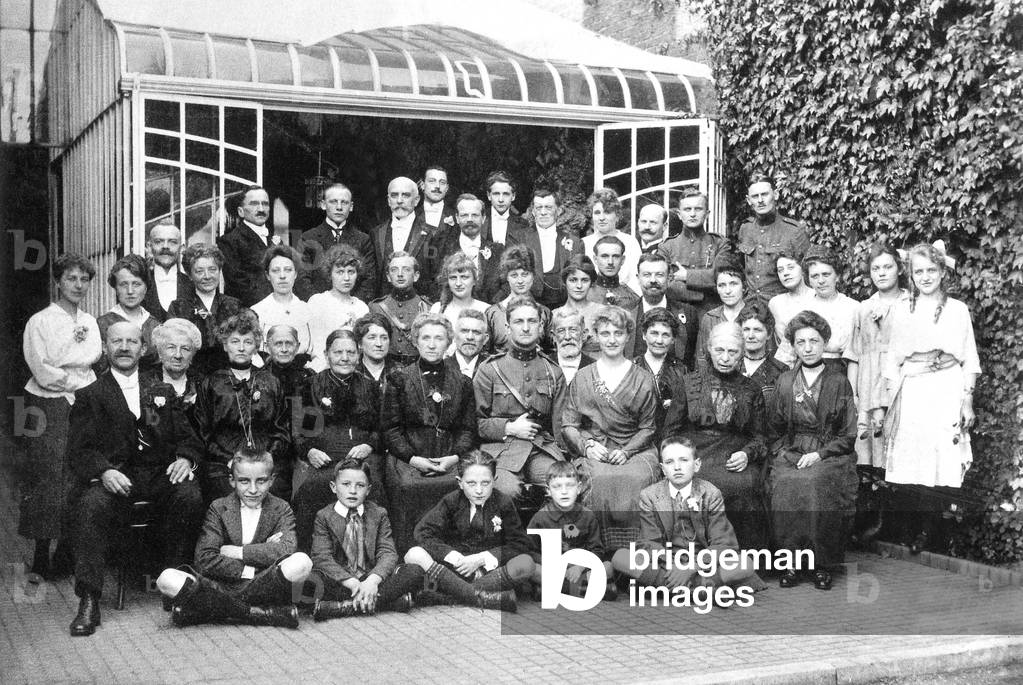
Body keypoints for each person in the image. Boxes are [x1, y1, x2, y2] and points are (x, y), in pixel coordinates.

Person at [67, 321, 205, 636]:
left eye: (132, 341)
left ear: (144, 349)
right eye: (118, 341)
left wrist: (185, 458)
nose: (125, 347)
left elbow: (189, 437)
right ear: (105, 348)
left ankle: (177, 586)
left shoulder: (161, 390)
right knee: (90, 506)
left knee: (189, 495)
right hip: (116, 480)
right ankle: (89, 599)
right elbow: (79, 450)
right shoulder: (90, 395)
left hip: (157, 476)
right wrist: (104, 470)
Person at [155, 447, 312, 629]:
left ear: (271, 481)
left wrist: (237, 551)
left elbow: (286, 550)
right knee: (166, 579)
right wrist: (254, 564)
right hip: (220, 586)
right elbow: (205, 559)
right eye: (244, 481)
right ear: (232, 481)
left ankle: (208, 611)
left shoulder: (281, 508)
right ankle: (256, 614)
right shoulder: (218, 507)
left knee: (302, 562)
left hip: (262, 585)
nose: (253, 489)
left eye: (261, 481)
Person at [20, 254, 102, 579]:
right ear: (58, 281)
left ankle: (66, 551)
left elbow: (92, 358)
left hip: (83, 401)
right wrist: (71, 380)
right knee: (47, 474)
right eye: (71, 278)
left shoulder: (90, 322)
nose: (78, 285)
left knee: (76, 473)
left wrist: (83, 386)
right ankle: (41, 552)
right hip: (49, 402)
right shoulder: (40, 321)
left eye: (84, 279)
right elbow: (40, 366)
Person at [768, 310, 857, 590]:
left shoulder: (838, 381)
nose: (807, 348)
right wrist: (784, 453)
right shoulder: (784, 382)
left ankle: (821, 564)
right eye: (801, 342)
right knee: (783, 483)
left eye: (814, 341)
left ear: (824, 343)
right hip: (794, 450)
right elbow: (775, 428)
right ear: (793, 346)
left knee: (816, 483)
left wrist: (820, 454)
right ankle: (790, 563)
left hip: (830, 453)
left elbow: (849, 434)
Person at [562, 305, 660, 549]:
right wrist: (586, 446)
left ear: (628, 336)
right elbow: (569, 425)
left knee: (635, 479)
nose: (612, 339)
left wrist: (627, 451)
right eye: (605, 333)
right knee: (599, 480)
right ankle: (598, 553)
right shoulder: (583, 377)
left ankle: (635, 555)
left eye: (618, 333)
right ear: (595, 335)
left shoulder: (643, 378)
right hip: (597, 449)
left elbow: (648, 428)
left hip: (635, 450)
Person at [883, 242, 979, 489]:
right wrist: (891, 400)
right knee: (913, 466)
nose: (925, 277)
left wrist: (967, 401)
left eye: (931, 270)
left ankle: (938, 527)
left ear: (943, 272)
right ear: (911, 275)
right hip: (913, 391)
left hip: (947, 388)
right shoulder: (901, 309)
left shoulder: (958, 310)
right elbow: (891, 359)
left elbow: (969, 358)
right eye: (919, 272)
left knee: (943, 463)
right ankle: (914, 527)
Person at [611, 437, 763, 591]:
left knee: (745, 564)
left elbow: (723, 544)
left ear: (696, 465)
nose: (677, 467)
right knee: (620, 557)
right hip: (666, 563)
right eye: (670, 462)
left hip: (702, 563)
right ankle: (701, 588)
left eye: (684, 460)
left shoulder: (711, 493)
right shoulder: (649, 496)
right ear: (663, 469)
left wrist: (691, 567)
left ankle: (676, 588)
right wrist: (675, 566)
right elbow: (649, 542)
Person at [382, 312, 477, 552]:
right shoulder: (399, 378)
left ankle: (453, 556)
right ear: (415, 340)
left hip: (449, 455)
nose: (432, 344)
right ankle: (408, 556)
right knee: (407, 487)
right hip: (409, 455)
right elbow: (391, 429)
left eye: (439, 338)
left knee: (461, 487)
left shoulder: (463, 382)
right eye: (425, 338)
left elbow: (467, 429)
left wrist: (454, 458)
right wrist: (414, 459)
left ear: (449, 342)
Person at [677, 322, 769, 550]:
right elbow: (671, 431)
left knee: (744, 486)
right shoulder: (689, 383)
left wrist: (747, 454)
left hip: (733, 456)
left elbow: (760, 436)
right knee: (697, 487)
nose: (725, 358)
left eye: (733, 352)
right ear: (709, 348)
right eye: (719, 350)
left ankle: (743, 558)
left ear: (741, 354)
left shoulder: (751, 388)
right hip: (697, 454)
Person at [404, 450, 532, 612]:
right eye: (471, 483)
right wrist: (456, 559)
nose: (479, 490)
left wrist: (481, 559)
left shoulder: (503, 503)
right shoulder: (451, 501)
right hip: (453, 570)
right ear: (460, 482)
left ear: (495, 481)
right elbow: (423, 532)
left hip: (487, 572)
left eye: (485, 483)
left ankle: (446, 596)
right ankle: (483, 597)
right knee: (414, 554)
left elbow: (519, 543)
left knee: (526, 563)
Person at [293, 330, 381, 551]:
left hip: (361, 456)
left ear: (359, 355)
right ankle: (307, 553)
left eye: (351, 352)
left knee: (375, 486)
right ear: (327, 354)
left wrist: (369, 444)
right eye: (338, 352)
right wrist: (310, 450)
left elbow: (381, 427)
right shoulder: (312, 386)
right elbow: (303, 430)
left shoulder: (369, 387)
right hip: (326, 458)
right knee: (311, 487)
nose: (345, 358)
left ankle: (371, 553)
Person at [474, 296, 567, 501]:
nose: (526, 328)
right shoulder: (489, 370)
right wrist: (509, 428)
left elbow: (560, 426)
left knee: (564, 485)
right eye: (518, 322)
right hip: (500, 454)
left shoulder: (552, 371)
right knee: (505, 491)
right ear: (507, 327)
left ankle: (548, 533)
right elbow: (474, 423)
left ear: (541, 326)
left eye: (532, 321)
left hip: (540, 450)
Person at [306, 459, 424, 619]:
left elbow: (387, 552)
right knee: (309, 579)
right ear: (334, 487)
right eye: (346, 484)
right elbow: (322, 557)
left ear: (368, 490)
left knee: (414, 571)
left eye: (360, 485)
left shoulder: (378, 513)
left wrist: (372, 581)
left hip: (371, 577)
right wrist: (351, 582)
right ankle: (389, 602)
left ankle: (344, 607)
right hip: (342, 581)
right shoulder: (324, 516)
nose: (353, 491)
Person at [195, 310, 291, 501]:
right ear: (225, 345)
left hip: (266, 457)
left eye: (247, 342)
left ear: (256, 346)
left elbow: (281, 429)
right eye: (235, 342)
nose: (241, 348)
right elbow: (204, 432)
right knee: (225, 494)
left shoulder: (270, 381)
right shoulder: (212, 383)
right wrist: (229, 459)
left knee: (277, 491)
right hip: (224, 462)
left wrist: (268, 457)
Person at [845, 243, 909, 468]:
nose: (882, 273)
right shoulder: (863, 308)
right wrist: (853, 393)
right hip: (870, 386)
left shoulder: (911, 304)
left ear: (899, 269)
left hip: (900, 384)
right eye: (876, 268)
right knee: (870, 453)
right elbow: (854, 355)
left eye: (888, 267)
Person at [526, 461, 615, 600]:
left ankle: (553, 590)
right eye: (557, 487)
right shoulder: (540, 517)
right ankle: (585, 590)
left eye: (570, 486)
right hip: (553, 570)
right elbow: (530, 550)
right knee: (531, 569)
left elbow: (597, 550)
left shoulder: (588, 516)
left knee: (608, 567)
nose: (564, 491)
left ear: (579, 488)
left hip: (580, 569)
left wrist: (580, 567)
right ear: (548, 491)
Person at [736, 173, 810, 308]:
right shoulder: (745, 229)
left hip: (783, 307)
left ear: (775, 195)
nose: (760, 200)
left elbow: (807, 274)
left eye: (764, 194)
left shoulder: (794, 231)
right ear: (748, 200)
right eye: (755, 196)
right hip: (750, 307)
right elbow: (742, 269)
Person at [168, 243, 242, 375]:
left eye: (212, 269)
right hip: (191, 376)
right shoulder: (179, 308)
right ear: (190, 275)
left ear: (219, 271)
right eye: (199, 271)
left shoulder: (234, 306)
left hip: (228, 377)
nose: (207, 276)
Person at [506, 188, 583, 309]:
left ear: (558, 210)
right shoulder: (518, 238)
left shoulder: (575, 242)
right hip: (529, 304)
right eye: (538, 208)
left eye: (548, 207)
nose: (543, 212)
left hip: (566, 306)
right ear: (532, 212)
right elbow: (513, 275)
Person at [297, 182, 377, 300]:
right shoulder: (308, 238)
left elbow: (369, 280)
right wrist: (320, 305)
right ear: (323, 204)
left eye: (344, 202)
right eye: (333, 202)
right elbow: (302, 280)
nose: (339, 207)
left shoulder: (363, 240)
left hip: (352, 312)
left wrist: (352, 306)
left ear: (351, 206)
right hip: (319, 309)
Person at [424, 194, 505, 303]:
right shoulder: (441, 249)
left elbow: (503, 288)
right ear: (457, 218)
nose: (470, 220)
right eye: (464, 215)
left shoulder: (498, 251)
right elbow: (433, 285)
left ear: (483, 218)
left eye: (475, 215)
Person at [660, 188, 728, 316]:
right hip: (677, 314)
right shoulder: (667, 247)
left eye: (698, 209)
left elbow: (722, 278)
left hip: (711, 313)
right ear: (679, 215)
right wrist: (705, 284)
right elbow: (665, 284)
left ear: (707, 214)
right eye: (687, 209)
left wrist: (687, 276)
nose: (692, 214)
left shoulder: (719, 244)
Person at [307, 244, 370, 371]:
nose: (346, 278)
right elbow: (315, 345)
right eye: (340, 272)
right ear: (330, 274)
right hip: (323, 370)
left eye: (351, 272)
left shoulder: (361, 307)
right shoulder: (318, 302)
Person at [626, 251, 696, 364]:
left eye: (659, 275)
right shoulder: (626, 313)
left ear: (669, 279)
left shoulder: (688, 313)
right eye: (647, 275)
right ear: (638, 278)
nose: (653, 280)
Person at [371, 177, 436, 296]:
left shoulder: (432, 233)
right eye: (394, 195)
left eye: (405, 195)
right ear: (389, 200)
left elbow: (436, 277)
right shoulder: (376, 233)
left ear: (416, 200)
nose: (399, 200)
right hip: (383, 308)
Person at [96, 254, 161, 372]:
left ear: (146, 288)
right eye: (123, 284)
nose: (130, 291)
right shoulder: (102, 324)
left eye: (136, 284)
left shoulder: (155, 325)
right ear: (116, 288)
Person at [485, 245, 553, 355]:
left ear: (533, 275)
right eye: (514, 275)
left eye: (525, 274)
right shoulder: (493, 314)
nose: (520, 280)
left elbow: (551, 353)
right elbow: (485, 354)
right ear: (507, 277)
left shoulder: (544, 313)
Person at [219, 186, 280, 306]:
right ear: (241, 211)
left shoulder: (274, 240)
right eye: (254, 204)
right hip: (250, 311)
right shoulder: (229, 241)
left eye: (265, 204)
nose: (261, 209)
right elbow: (238, 284)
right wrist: (273, 303)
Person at [632, 308, 688, 437]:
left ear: (673, 339)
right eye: (654, 333)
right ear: (644, 335)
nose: (659, 341)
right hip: (636, 438)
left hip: (671, 439)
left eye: (666, 335)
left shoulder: (682, 370)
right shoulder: (630, 368)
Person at [368, 251, 431, 365]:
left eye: (406, 269)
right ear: (388, 276)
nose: (400, 274)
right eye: (394, 270)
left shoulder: (428, 308)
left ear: (416, 276)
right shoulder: (376, 307)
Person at [251, 245, 313, 357]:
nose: (282, 276)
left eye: (288, 270)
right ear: (267, 275)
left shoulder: (307, 310)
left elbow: (313, 351)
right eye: (275, 271)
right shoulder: (257, 311)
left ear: (295, 274)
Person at [804, 246, 858, 368]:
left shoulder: (852, 307)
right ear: (809, 280)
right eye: (815, 276)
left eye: (826, 274)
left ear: (837, 276)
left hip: (839, 370)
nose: (821, 281)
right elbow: (787, 354)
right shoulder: (802, 307)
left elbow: (855, 356)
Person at [581, 188, 642, 295]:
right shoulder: (584, 243)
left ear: (617, 215)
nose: (601, 218)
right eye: (597, 213)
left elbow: (636, 279)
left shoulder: (630, 242)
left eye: (607, 212)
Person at [694, 261, 747, 370]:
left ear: (743, 286)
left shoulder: (754, 317)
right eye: (722, 285)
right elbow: (701, 359)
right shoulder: (709, 318)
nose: (727, 291)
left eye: (733, 284)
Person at [429, 251, 491, 344]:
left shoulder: (487, 310)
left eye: (464, 277)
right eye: (453, 278)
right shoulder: (437, 309)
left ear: (474, 280)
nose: (458, 283)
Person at [738, 302, 789, 408]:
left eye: (757, 330)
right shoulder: (730, 365)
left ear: (769, 334)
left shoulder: (780, 370)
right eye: (746, 330)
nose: (750, 336)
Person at [768, 249, 814, 366]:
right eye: (780, 270)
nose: (785, 273)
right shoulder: (775, 303)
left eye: (791, 267)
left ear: (802, 269)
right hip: (785, 366)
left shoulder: (816, 297)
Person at [143, 318, 203, 407]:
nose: (178, 355)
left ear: (193, 354)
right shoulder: (144, 383)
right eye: (171, 347)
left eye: (185, 349)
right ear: (159, 351)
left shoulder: (202, 384)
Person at [551, 255, 601, 358]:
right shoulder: (554, 315)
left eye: (584, 280)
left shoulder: (602, 312)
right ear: (565, 281)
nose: (579, 286)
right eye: (573, 280)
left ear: (591, 282)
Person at [142, 223, 191, 321]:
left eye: (172, 242)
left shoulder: (192, 285)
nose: (165, 246)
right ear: (149, 246)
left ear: (182, 248)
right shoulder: (139, 284)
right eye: (158, 241)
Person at [587, 235, 640, 310]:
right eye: (605, 256)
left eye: (615, 256)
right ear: (595, 259)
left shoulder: (632, 298)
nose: (610, 262)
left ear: (622, 260)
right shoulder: (584, 294)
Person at [354, 312, 396, 396]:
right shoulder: (351, 373)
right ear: (360, 343)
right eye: (372, 337)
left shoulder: (400, 373)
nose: (379, 344)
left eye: (384, 338)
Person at [481, 170, 525, 244]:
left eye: (506, 194)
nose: (500, 199)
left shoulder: (522, 225)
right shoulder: (478, 221)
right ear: (489, 195)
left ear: (513, 196)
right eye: (496, 194)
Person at [551, 309, 594, 384]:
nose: (567, 337)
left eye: (573, 330)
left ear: (584, 334)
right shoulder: (544, 365)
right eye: (561, 331)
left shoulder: (595, 369)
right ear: (554, 336)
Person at [448, 308, 490, 378]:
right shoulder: (440, 367)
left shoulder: (494, 368)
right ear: (454, 335)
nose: (470, 337)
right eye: (464, 331)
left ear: (485, 339)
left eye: (476, 332)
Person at [416, 164, 456, 230]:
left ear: (447, 188)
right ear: (422, 185)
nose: (437, 186)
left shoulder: (456, 216)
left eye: (442, 182)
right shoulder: (412, 215)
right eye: (432, 181)